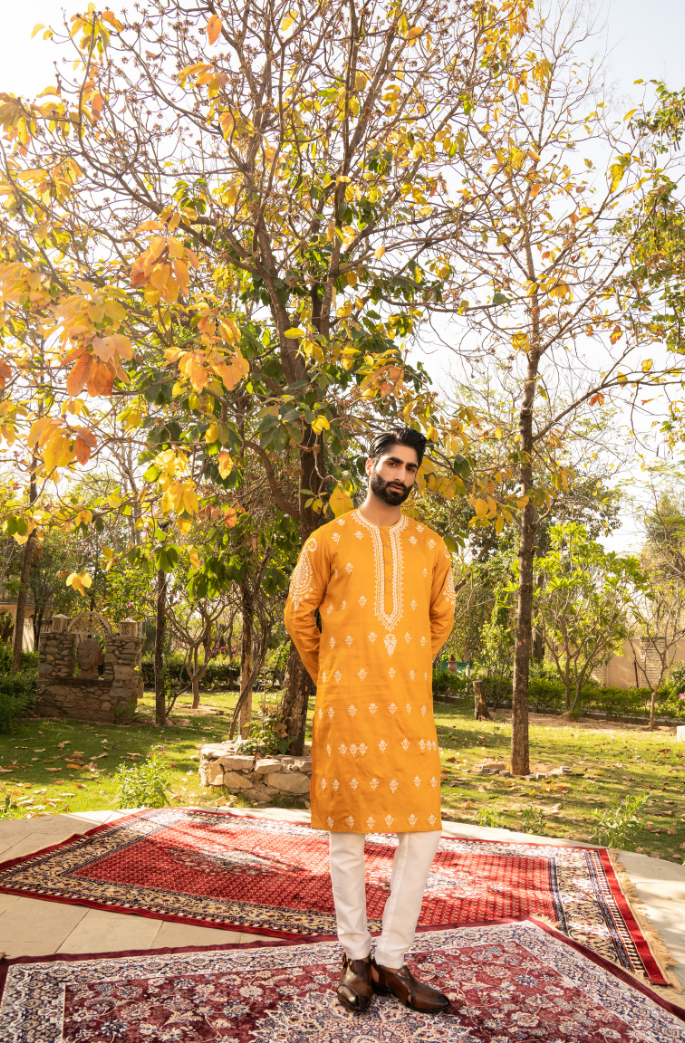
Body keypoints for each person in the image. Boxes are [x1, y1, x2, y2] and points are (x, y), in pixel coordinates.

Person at [284, 426, 456, 1014]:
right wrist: (335, 673)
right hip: (346, 705)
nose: (401, 476)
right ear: (369, 465)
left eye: (410, 468)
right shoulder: (326, 541)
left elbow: (441, 619)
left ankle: (393, 960)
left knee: (423, 829)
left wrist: (403, 666)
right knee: (347, 834)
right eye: (392, 464)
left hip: (409, 706)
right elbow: (299, 616)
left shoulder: (432, 546)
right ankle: (356, 956)